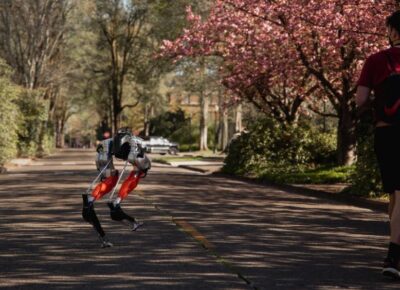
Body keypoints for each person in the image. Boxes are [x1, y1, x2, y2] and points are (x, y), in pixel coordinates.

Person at [356, 10, 400, 278]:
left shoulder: (375, 60)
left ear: (393, 31)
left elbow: (360, 101)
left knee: (395, 193)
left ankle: (394, 254)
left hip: (387, 134)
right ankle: (394, 255)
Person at [82, 127, 151, 248]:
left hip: (105, 153)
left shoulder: (109, 143)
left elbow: (104, 166)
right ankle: (115, 204)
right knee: (133, 172)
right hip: (112, 153)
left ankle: (92, 202)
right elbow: (140, 163)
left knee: (111, 176)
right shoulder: (134, 142)